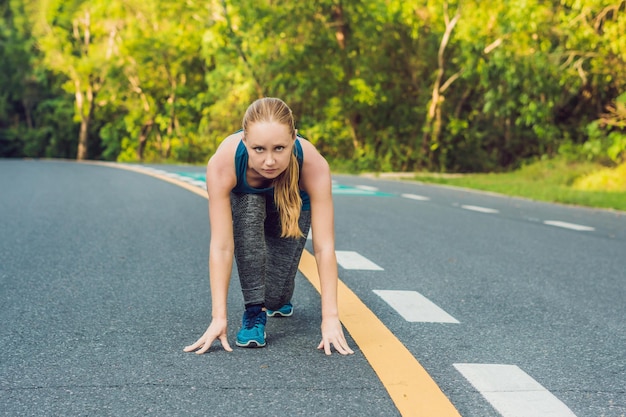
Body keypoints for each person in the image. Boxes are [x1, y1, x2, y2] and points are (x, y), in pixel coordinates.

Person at [184, 97, 354, 356]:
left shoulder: (314, 165)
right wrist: (219, 317)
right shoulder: (222, 165)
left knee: (275, 298)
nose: (270, 161)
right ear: (245, 143)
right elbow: (221, 246)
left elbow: (324, 247)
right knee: (249, 209)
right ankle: (253, 314)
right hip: (247, 200)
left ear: (294, 139)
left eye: (279, 148)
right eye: (259, 149)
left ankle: (277, 300)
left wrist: (330, 317)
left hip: (293, 202)